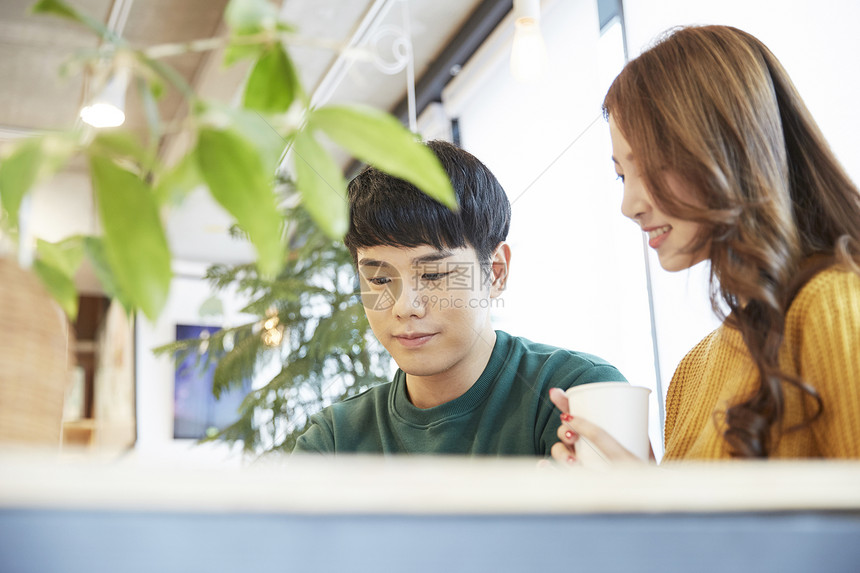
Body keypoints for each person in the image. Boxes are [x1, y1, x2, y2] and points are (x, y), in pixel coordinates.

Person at [551, 24, 860, 462]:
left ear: (730, 149)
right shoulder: (692, 372)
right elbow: (690, 532)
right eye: (622, 175)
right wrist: (637, 496)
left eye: (652, 166)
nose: (629, 204)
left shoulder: (834, 306)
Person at [293, 140, 626, 455]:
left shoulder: (579, 393)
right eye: (379, 278)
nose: (404, 307)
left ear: (495, 272)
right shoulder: (333, 440)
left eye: (434, 275)